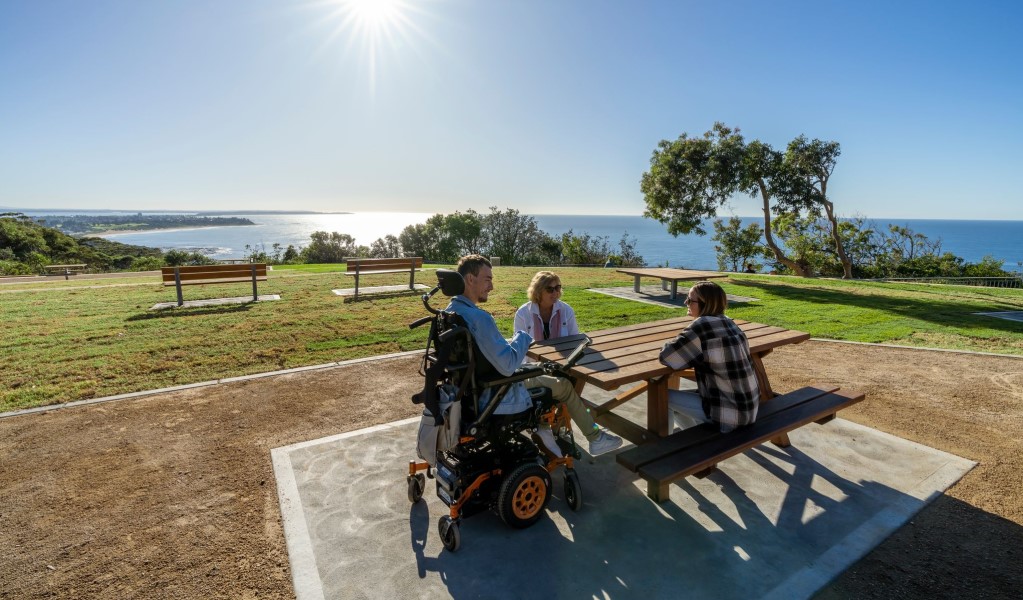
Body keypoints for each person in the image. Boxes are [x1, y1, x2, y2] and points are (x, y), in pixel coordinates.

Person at [446, 255, 622, 456]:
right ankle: (593, 437)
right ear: (470, 279)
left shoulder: (451, 312)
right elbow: (508, 365)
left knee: (553, 373)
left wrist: (508, 344)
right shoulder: (480, 318)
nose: (492, 286)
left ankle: (548, 429)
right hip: (498, 387)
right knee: (563, 385)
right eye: (488, 279)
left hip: (475, 388)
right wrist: (522, 337)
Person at [657, 281, 760, 433]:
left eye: (690, 300)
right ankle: (691, 441)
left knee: (660, 397)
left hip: (729, 415)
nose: (686, 302)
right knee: (680, 402)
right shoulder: (729, 322)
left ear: (705, 304)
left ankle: (663, 448)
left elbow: (668, 358)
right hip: (748, 409)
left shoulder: (702, 326)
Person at [513, 271, 578, 342]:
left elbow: (574, 339)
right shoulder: (523, 313)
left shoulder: (567, 310)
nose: (555, 293)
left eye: (557, 288)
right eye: (550, 289)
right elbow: (519, 344)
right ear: (538, 291)